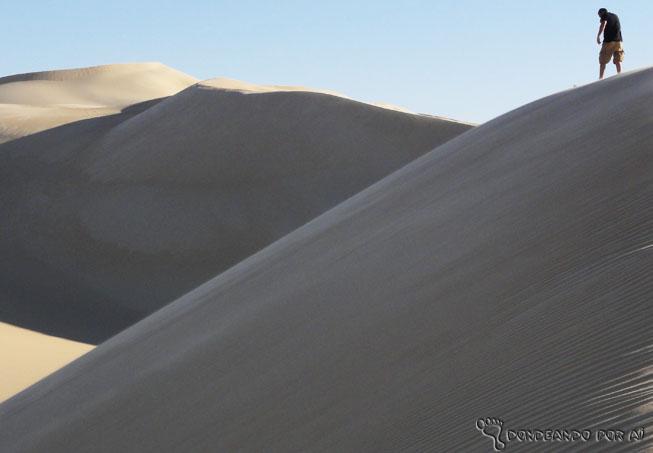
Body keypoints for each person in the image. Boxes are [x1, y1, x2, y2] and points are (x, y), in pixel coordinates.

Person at [596, 8, 624, 79]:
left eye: (599, 15)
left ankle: (601, 78)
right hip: (619, 41)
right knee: (618, 59)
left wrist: (598, 35)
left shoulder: (605, 16)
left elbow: (603, 24)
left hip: (609, 41)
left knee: (602, 60)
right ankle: (619, 74)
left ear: (601, 13)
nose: (599, 17)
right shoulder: (615, 15)